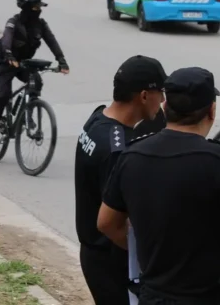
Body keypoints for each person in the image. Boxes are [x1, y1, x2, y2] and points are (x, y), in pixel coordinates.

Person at [98, 67, 220, 305]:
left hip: (153, 296)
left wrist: (150, 259)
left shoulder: (132, 156)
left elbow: (107, 223)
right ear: (212, 110)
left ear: (164, 107)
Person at [74, 56, 167, 305]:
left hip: (93, 252)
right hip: (110, 260)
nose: (164, 101)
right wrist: (145, 258)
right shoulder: (118, 151)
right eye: (161, 93)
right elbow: (112, 223)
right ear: (145, 96)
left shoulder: (97, 120)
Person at [0, 0, 68, 145]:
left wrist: (61, 60)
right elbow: (6, 40)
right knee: (3, 95)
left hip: (24, 63)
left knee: (36, 82)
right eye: (36, 7)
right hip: (6, 63)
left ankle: (28, 113)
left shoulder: (41, 24)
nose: (39, 10)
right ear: (27, 8)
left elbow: (52, 41)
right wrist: (9, 55)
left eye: (40, 7)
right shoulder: (14, 22)